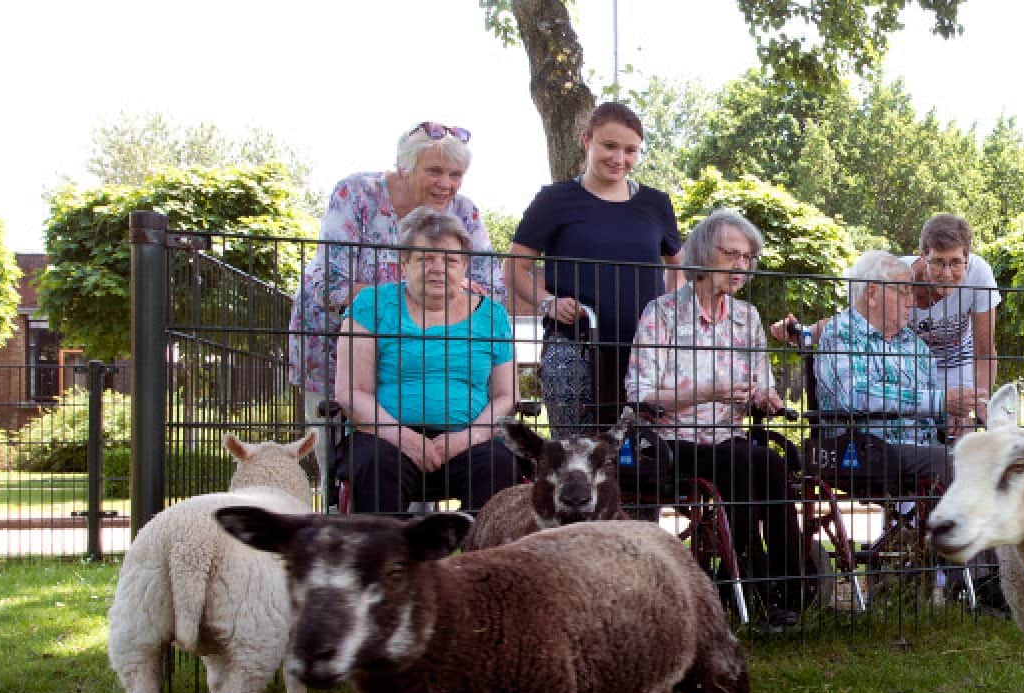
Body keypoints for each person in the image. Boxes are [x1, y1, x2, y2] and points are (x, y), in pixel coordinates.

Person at [627, 209, 809, 628]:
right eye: (732, 255)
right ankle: (745, 586)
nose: (742, 266)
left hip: (728, 437)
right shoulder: (663, 313)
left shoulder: (748, 319)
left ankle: (789, 587)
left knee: (773, 463)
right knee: (742, 462)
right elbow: (639, 395)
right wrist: (704, 392)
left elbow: (760, 384)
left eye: (748, 258)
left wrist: (765, 398)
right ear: (704, 256)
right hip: (671, 441)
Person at [288, 122, 503, 454]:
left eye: (456, 174)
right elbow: (329, 282)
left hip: (423, 354)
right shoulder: (356, 194)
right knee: (340, 454)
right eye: (435, 171)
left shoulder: (464, 213)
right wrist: (416, 296)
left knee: (416, 447)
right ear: (405, 166)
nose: (446, 184)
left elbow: (491, 290)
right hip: (336, 343)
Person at [334, 208, 521, 514]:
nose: (438, 268)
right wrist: (401, 436)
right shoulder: (371, 305)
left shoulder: (493, 315)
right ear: (404, 264)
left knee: (498, 464)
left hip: (469, 436)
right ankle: (388, 560)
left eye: (450, 260)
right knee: (374, 465)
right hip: (385, 434)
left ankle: (480, 560)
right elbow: (351, 391)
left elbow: (507, 395)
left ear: (464, 267)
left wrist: (469, 436)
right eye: (425, 258)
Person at [509, 102, 682, 430]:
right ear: (586, 140)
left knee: (646, 454)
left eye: (631, 150)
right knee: (577, 455)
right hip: (575, 344)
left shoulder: (656, 204)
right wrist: (548, 302)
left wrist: (666, 311)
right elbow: (515, 267)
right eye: (610, 146)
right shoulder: (554, 199)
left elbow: (679, 266)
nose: (620, 159)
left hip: (643, 350)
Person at [811, 250, 977, 491]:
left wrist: (954, 419)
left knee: (979, 456)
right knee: (950, 462)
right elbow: (856, 395)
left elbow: (933, 403)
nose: (912, 300)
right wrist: (940, 401)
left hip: (919, 447)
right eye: (903, 291)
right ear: (871, 293)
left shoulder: (912, 342)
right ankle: (956, 528)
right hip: (862, 448)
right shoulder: (841, 333)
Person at [904, 214, 1003, 437]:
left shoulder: (979, 274)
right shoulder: (899, 275)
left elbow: (984, 351)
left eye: (956, 262)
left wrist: (976, 404)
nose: (947, 274)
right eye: (938, 262)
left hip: (959, 362)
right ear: (923, 256)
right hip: (912, 366)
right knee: (914, 434)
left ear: (967, 258)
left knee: (960, 435)